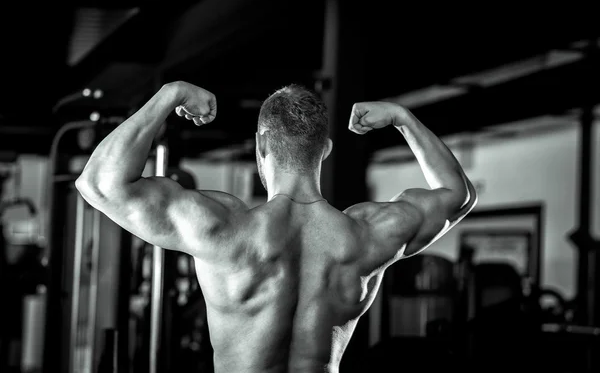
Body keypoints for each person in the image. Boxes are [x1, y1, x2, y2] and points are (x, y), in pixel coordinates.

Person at [75, 80, 477, 373]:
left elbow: (99, 183)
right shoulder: (367, 235)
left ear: (261, 147)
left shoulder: (224, 228)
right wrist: (402, 118)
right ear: (326, 150)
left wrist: (170, 95)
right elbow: (456, 194)